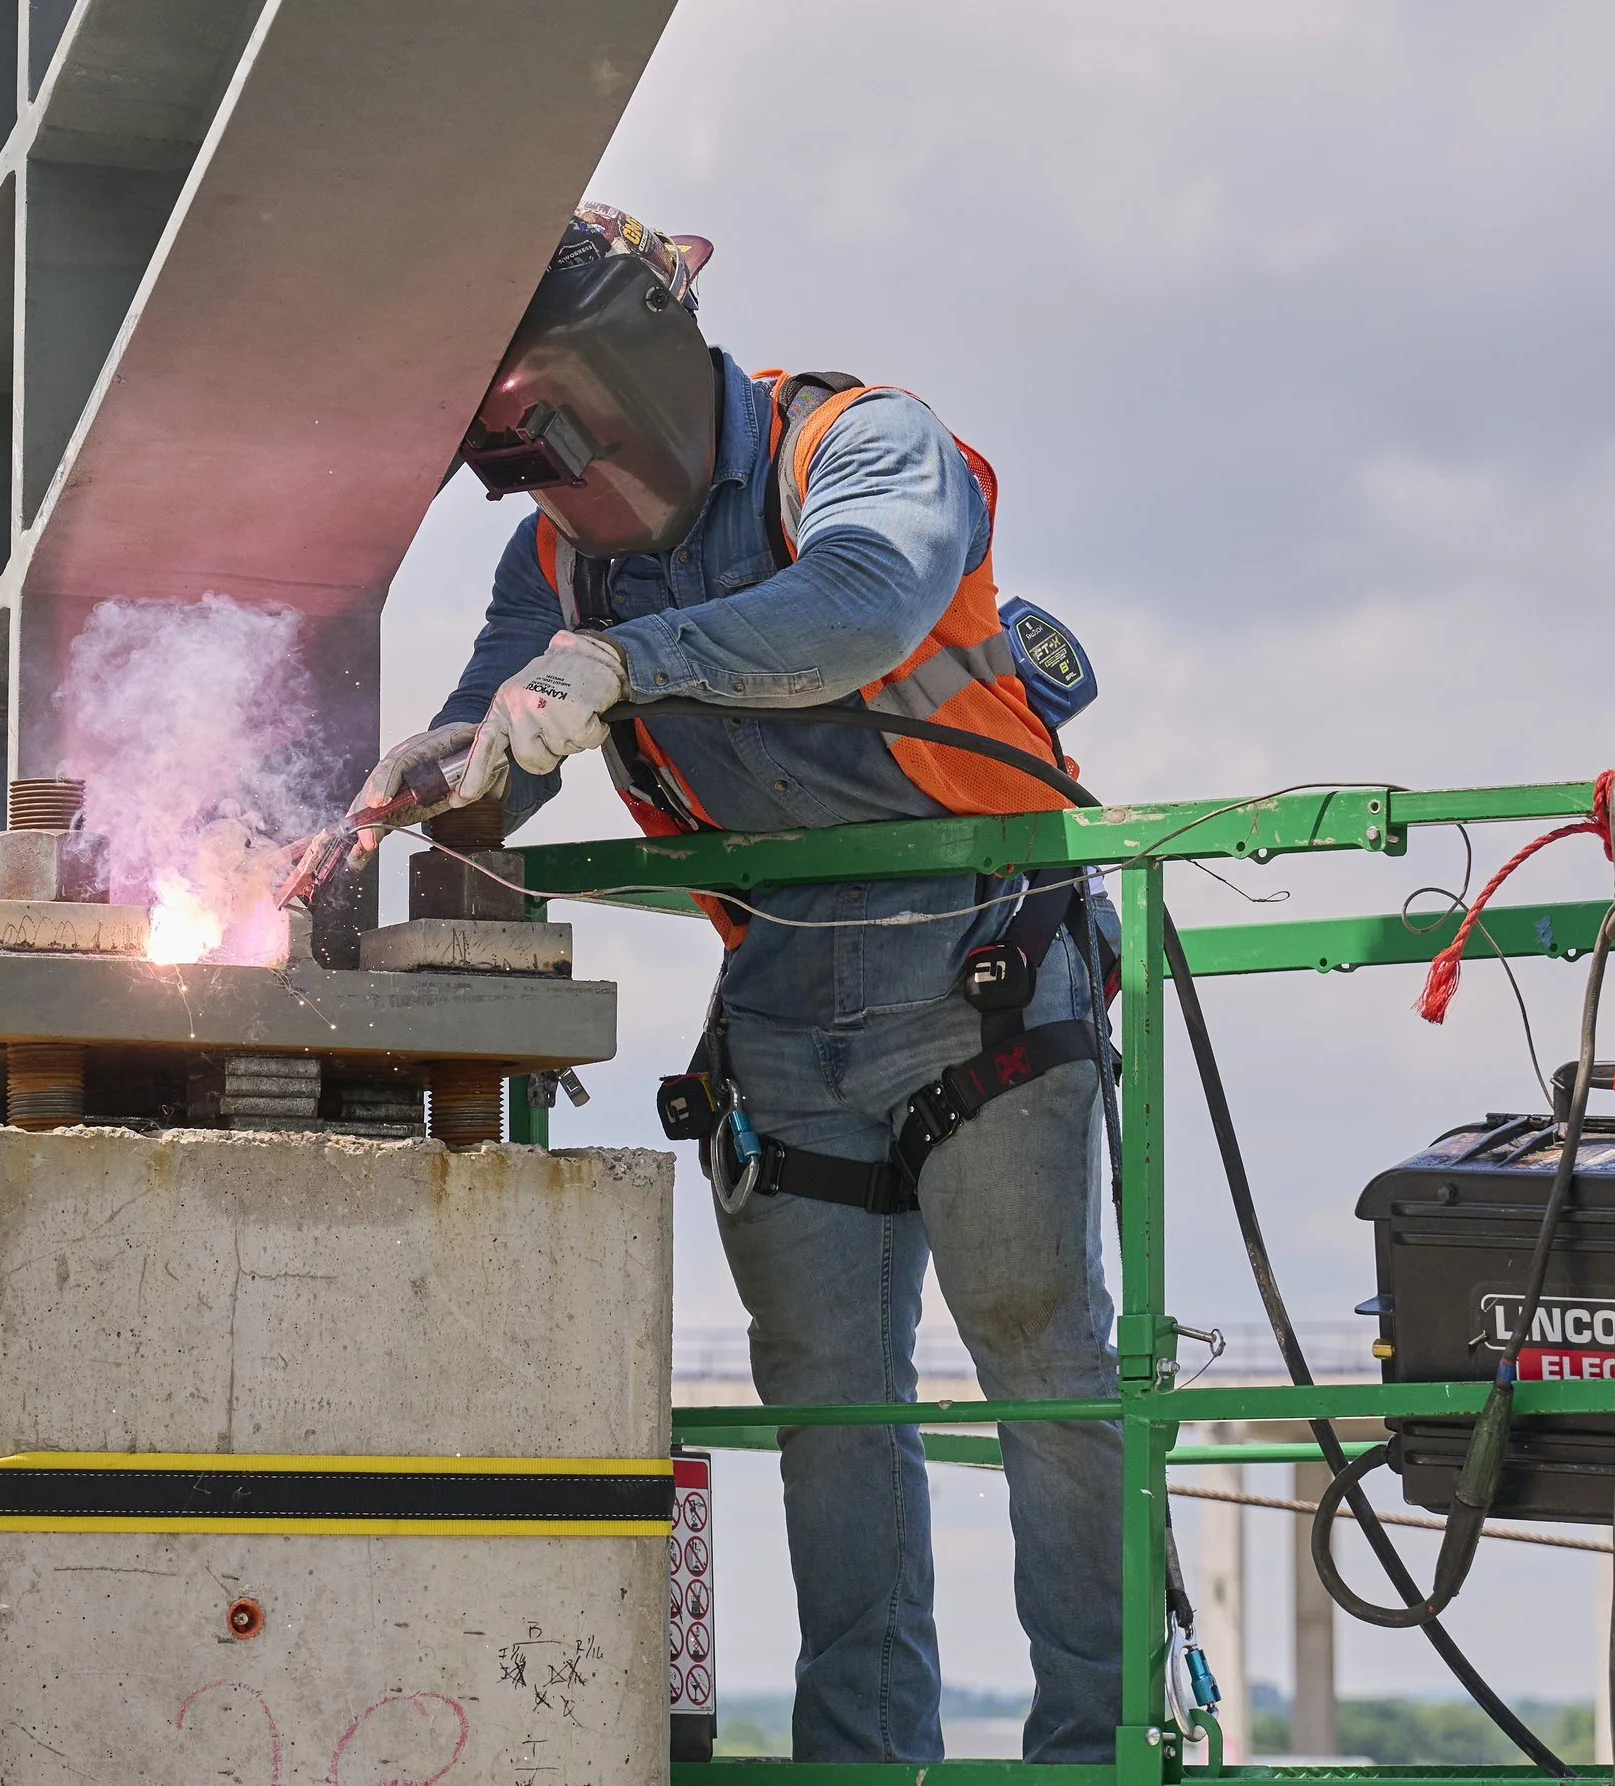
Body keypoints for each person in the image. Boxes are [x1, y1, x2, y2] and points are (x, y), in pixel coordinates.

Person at [357, 203, 1122, 1764]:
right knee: (830, 1414)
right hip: (783, 993)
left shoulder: (857, 445)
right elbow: (494, 750)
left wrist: (629, 664)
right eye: (509, 461)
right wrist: (436, 772)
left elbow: (862, 604)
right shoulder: (555, 556)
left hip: (985, 959)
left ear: (631, 365)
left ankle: (1097, 1747)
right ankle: (864, 1753)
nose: (540, 482)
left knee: (1044, 1371)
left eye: (543, 439)